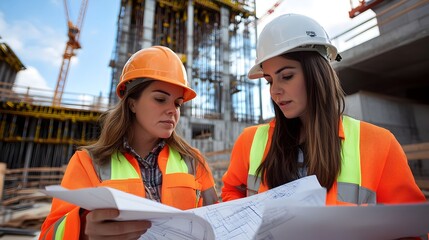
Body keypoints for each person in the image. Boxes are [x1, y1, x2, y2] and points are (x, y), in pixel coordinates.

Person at [221, 13, 426, 207]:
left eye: (287, 76)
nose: (275, 90)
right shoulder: (250, 142)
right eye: (269, 81)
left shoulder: (380, 144)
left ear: (317, 74)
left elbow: (410, 229)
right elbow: (231, 191)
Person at [40, 46, 218, 240]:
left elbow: (216, 222)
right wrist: (82, 228)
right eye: (160, 99)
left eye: (177, 103)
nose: (172, 110)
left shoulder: (194, 161)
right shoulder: (87, 163)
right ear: (132, 103)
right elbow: (49, 234)